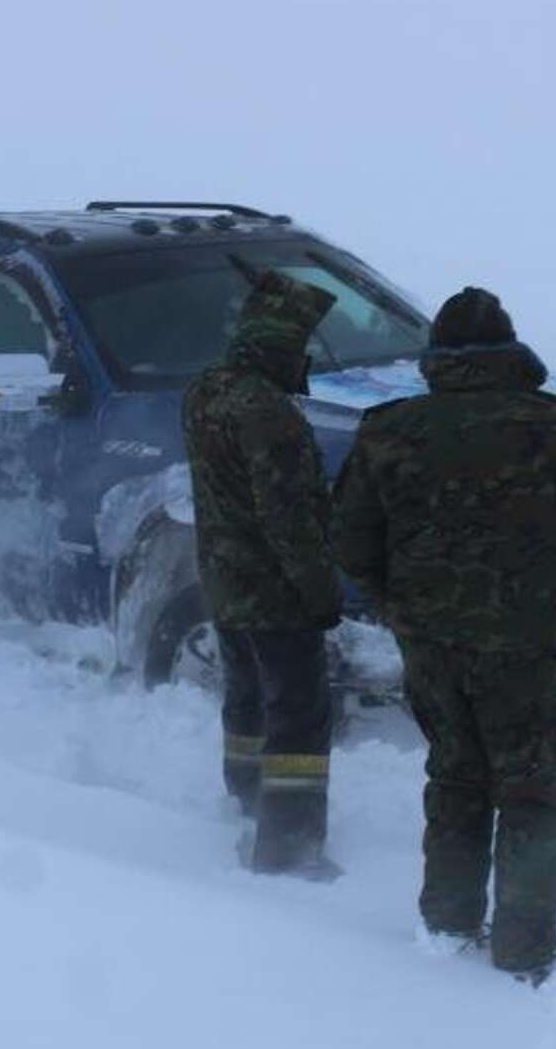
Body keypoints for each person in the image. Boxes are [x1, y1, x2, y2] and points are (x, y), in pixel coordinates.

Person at [332, 287, 556, 979]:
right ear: (511, 349)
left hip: (428, 641)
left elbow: (349, 540)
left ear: (435, 357)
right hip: (518, 644)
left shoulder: (389, 429)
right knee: (528, 788)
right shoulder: (554, 427)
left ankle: (448, 922)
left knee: (455, 773)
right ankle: (524, 949)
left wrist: (396, 604)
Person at [182, 270, 343, 876]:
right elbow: (288, 517)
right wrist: (319, 589)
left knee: (246, 700)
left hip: (224, 582)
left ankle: (246, 802)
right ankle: (290, 848)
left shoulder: (204, 391)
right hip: (274, 589)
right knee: (298, 715)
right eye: (299, 347)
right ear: (279, 344)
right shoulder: (265, 411)